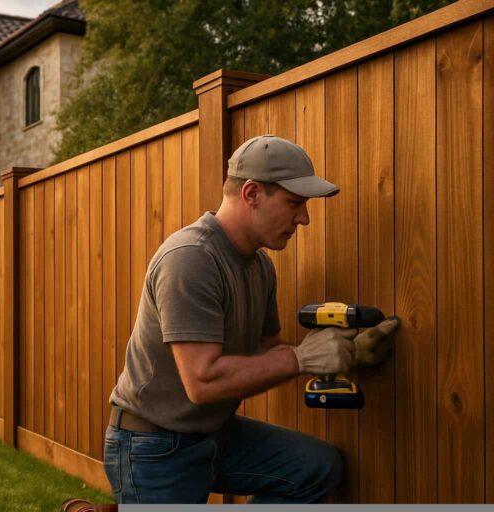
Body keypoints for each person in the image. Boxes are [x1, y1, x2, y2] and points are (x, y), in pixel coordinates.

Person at [104, 134, 400, 504]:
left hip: (216, 433)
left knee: (318, 468)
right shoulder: (190, 258)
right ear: (251, 193)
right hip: (153, 446)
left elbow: (267, 353)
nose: (304, 218)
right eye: (294, 203)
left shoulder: (260, 266)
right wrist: (302, 357)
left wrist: (347, 352)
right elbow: (202, 381)